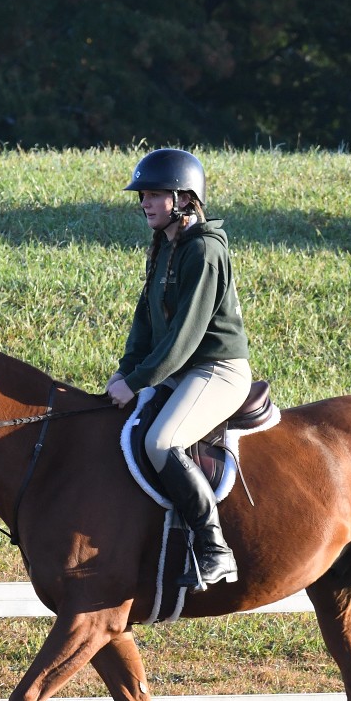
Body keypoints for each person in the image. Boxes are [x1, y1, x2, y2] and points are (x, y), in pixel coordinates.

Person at [106, 148, 251, 589]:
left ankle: (215, 549)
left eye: (154, 195)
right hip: (180, 369)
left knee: (161, 441)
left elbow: (184, 337)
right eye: (142, 196)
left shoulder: (203, 250)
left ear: (184, 198)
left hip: (215, 369)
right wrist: (125, 371)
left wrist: (137, 381)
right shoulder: (165, 247)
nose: (145, 203)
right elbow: (145, 322)